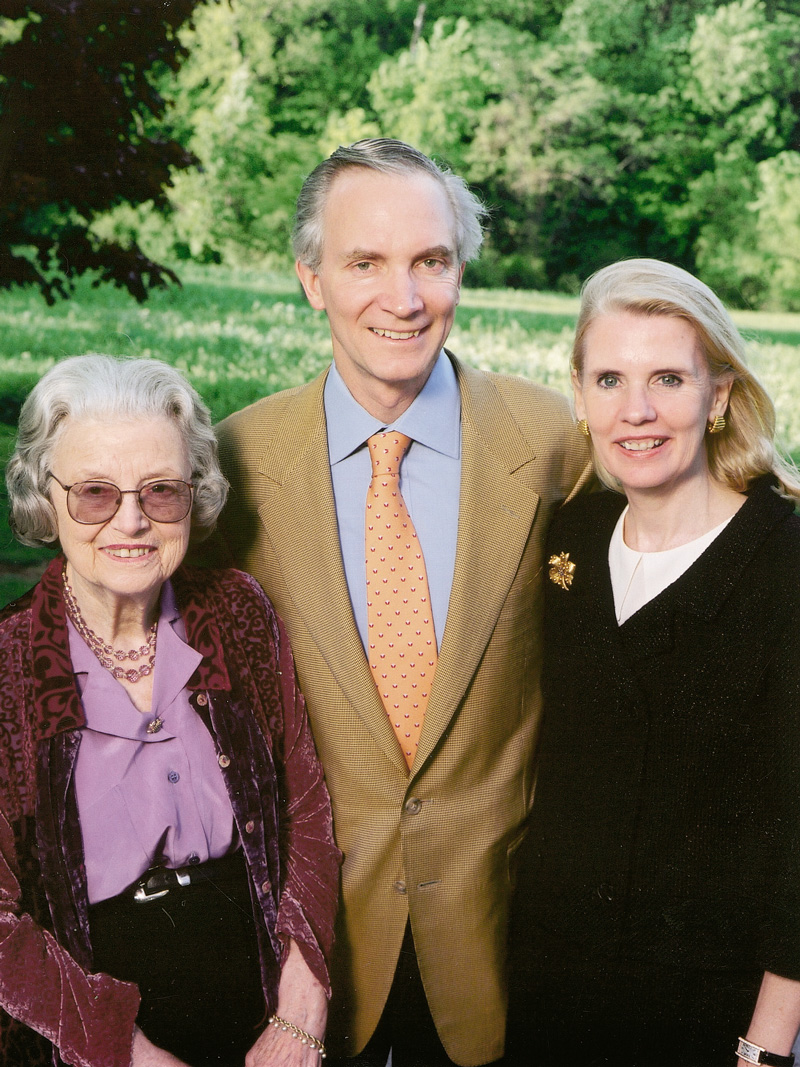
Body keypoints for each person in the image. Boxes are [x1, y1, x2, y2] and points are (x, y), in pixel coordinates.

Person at [208, 138, 592, 1067]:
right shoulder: (233, 465)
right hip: (306, 964)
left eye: (432, 260)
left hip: (513, 941)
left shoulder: (555, 443)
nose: (405, 297)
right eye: (365, 262)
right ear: (312, 280)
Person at [0, 354, 340, 1067]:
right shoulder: (10, 667)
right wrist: (119, 1047)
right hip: (94, 1028)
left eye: (161, 490)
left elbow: (306, 806)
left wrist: (302, 1005)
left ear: (196, 494)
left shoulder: (239, 612)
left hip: (262, 1009)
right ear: (44, 495)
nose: (131, 520)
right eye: (95, 492)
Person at [506, 258, 800, 1066]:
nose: (636, 411)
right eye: (609, 379)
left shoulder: (782, 563)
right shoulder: (571, 539)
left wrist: (765, 1046)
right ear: (579, 396)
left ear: (720, 397)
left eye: (668, 378)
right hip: (547, 990)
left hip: (707, 1012)